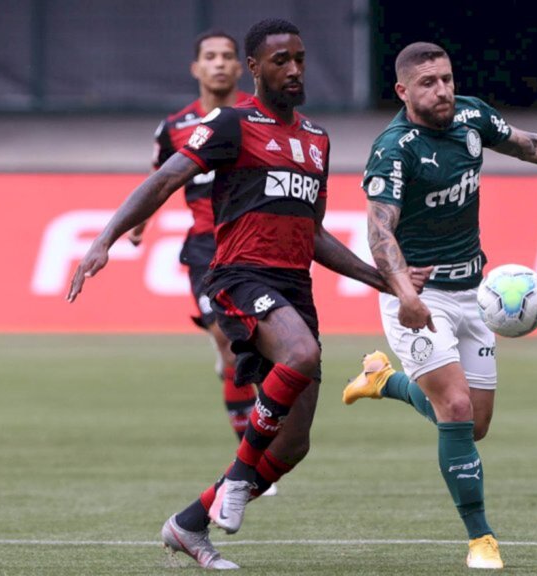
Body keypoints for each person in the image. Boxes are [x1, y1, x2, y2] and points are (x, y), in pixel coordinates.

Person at [68, 19, 426, 570]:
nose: (294, 69)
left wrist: (383, 278)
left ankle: (188, 525)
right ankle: (236, 480)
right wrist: (105, 238)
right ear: (254, 69)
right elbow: (165, 180)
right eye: (281, 60)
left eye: (301, 59)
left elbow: (313, 234)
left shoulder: (316, 138)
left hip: (294, 285)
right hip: (239, 275)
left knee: (294, 443)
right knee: (300, 355)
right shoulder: (234, 124)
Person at [341, 41, 537, 569]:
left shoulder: (471, 115)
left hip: (476, 294)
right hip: (421, 299)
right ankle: (480, 538)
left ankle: (384, 380)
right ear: (403, 91)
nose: (441, 89)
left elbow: (533, 146)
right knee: (457, 409)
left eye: (445, 78)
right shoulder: (393, 149)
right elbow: (379, 233)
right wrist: (404, 293)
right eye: (427, 83)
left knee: (474, 422)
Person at [129, 30, 274, 478]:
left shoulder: (259, 117)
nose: (219, 64)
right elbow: (160, 179)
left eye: (228, 56)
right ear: (196, 67)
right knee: (232, 351)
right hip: (205, 249)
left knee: (268, 354)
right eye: (210, 57)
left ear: (240, 67)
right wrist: (138, 225)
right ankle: (248, 465)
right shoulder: (174, 128)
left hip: (251, 244)